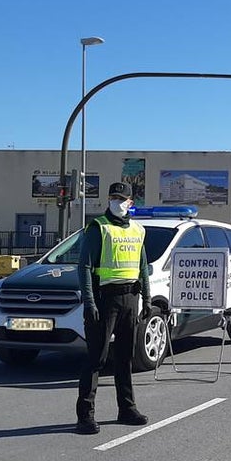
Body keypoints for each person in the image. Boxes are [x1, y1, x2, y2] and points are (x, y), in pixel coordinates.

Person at [74, 182, 152, 435]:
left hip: (130, 297)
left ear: (131, 202)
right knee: (96, 359)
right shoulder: (98, 227)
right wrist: (89, 302)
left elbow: (142, 268)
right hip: (104, 299)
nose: (117, 201)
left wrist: (147, 300)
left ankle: (127, 409)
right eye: (113, 197)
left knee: (125, 358)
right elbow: (84, 266)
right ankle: (85, 416)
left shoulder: (138, 230)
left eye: (122, 198)